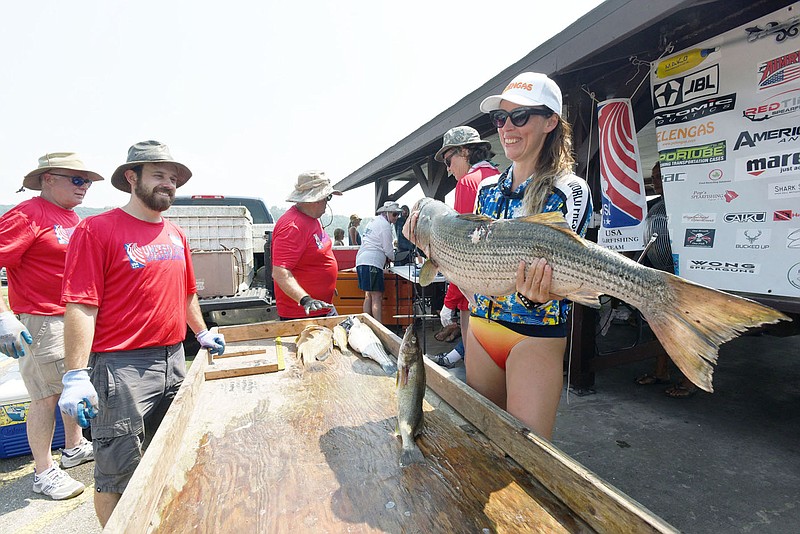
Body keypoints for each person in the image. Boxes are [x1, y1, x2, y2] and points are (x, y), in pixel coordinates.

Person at [58, 140, 226, 526]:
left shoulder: (175, 235)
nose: (168, 184)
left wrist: (200, 334)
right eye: (159, 176)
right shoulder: (96, 230)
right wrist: (75, 374)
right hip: (120, 370)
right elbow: (81, 304)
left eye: (173, 178)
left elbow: (186, 293)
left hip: (172, 360)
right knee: (117, 477)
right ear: (131, 178)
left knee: (170, 458)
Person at [468, 72, 592, 439]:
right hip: (480, 330)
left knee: (528, 457)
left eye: (520, 117)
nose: (507, 126)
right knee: (482, 441)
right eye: (501, 118)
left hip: (533, 337)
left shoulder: (569, 190)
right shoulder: (487, 188)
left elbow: (568, 274)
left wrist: (543, 292)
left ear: (550, 122)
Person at [0, 152, 102, 500]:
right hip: (41, 319)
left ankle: (74, 447)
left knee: (72, 383)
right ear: (47, 179)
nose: (84, 187)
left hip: (71, 317)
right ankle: (43, 472)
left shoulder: (71, 217)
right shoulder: (27, 215)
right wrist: (3, 316)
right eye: (76, 179)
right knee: (46, 397)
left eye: (87, 181)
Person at [428, 126, 500, 369]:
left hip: (476, 291)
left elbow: (462, 252)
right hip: (503, 288)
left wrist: (450, 301)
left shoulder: (469, 183)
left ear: (465, 151)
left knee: (478, 370)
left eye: (449, 161)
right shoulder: (501, 177)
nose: (448, 170)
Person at [635, 162, 697, 398]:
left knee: (686, 330)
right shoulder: (655, 207)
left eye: (661, 176)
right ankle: (661, 371)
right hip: (659, 273)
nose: (656, 181)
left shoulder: (689, 203)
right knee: (658, 328)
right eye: (654, 177)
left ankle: (689, 379)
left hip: (687, 276)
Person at [272, 171, 341, 320]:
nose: (327, 203)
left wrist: (327, 285)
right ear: (317, 199)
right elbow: (280, 273)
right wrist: (306, 300)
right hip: (302, 314)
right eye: (327, 198)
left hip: (323, 307)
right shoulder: (293, 226)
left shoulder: (312, 218)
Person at [356, 201, 401, 319]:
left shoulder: (374, 221)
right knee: (376, 297)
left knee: (368, 296)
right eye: (394, 214)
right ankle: (379, 328)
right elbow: (388, 249)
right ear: (387, 213)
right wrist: (395, 258)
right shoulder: (385, 226)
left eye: (398, 214)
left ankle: (366, 325)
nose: (397, 217)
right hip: (373, 262)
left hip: (361, 260)